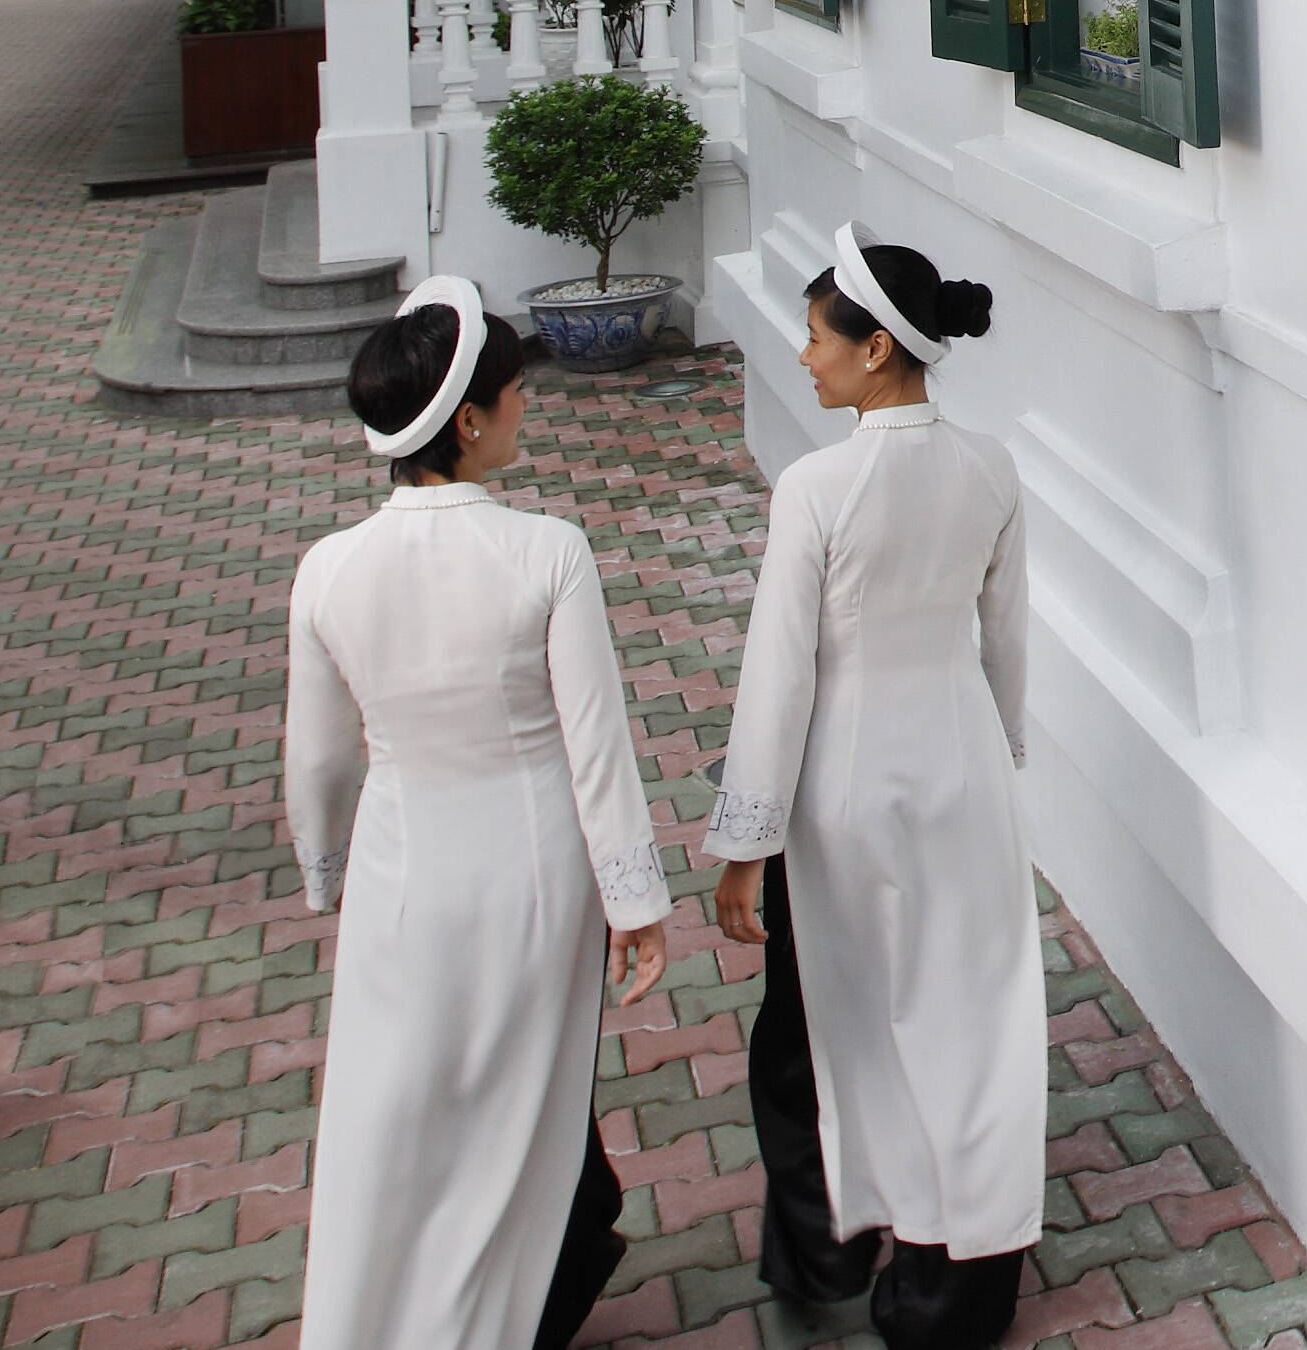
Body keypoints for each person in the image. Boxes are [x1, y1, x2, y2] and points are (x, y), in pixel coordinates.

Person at [286, 278, 671, 1350]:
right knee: (522, 1109)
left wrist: (325, 874)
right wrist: (635, 898)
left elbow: (318, 759)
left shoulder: (326, 571)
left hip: (400, 874)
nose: (523, 410)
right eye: (513, 395)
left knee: (399, 1115)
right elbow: (596, 747)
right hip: (533, 871)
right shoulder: (548, 552)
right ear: (467, 420)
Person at [706, 227, 1039, 1348]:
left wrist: (746, 840)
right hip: (964, 774)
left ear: (878, 354)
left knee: (818, 1025)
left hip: (843, 791)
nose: (804, 357)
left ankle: (826, 1246)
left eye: (814, 337)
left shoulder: (818, 486)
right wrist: (1001, 764)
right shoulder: (991, 466)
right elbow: (1006, 648)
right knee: (967, 1020)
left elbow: (776, 676)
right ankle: (957, 1292)